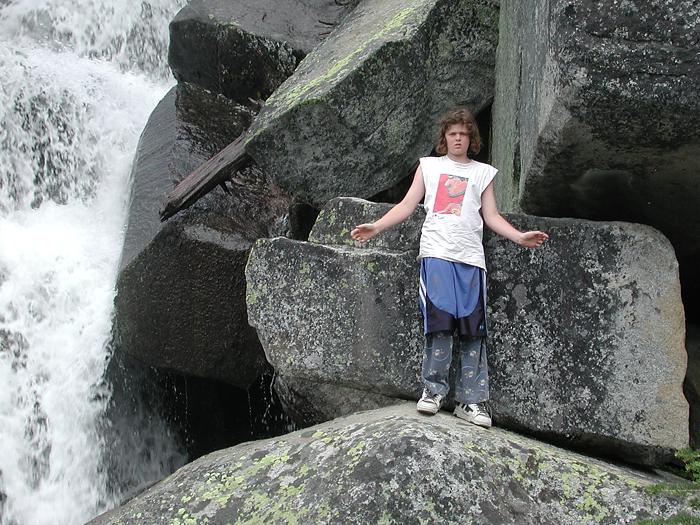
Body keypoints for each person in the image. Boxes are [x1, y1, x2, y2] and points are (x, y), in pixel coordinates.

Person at [350, 107, 548, 428]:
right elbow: (406, 204)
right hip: (436, 255)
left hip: (472, 260)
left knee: (473, 329)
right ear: (444, 138)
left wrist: (519, 236)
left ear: (471, 138)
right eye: (452, 133)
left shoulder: (483, 173)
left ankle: (470, 402)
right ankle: (433, 391)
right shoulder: (429, 167)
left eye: (463, 133)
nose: (458, 138)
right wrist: (377, 226)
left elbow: (492, 216)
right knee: (439, 322)